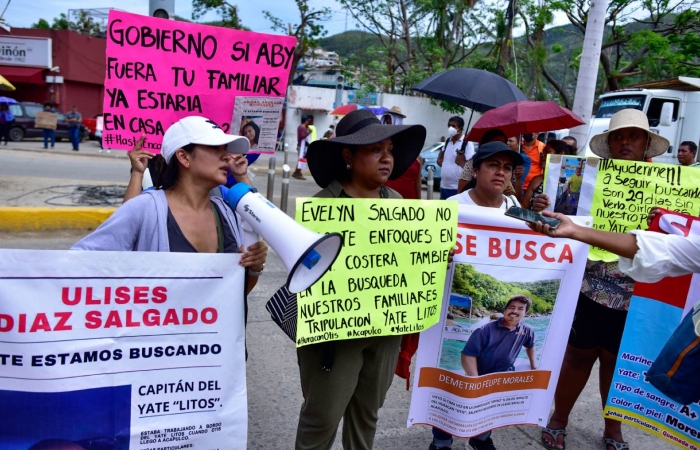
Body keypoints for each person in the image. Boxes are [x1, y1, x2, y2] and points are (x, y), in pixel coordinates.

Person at [538, 109, 670, 450]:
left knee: (618, 360)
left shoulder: (669, 188)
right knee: (578, 354)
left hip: (639, 291)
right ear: (609, 144)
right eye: (618, 136)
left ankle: (614, 429)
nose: (625, 142)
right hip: (590, 285)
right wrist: (544, 202)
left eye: (633, 136)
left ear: (646, 145)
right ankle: (558, 419)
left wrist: (667, 217)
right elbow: (560, 218)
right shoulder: (590, 179)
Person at [298, 109, 426, 450]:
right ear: (348, 156)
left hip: (386, 330)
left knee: (367, 415)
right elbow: (304, 274)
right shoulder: (322, 205)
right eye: (375, 150)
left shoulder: (398, 202)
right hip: (334, 337)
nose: (386, 158)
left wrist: (432, 258)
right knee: (321, 419)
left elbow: (408, 266)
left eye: (389, 150)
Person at [72, 116, 268, 294]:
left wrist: (254, 269)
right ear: (184, 157)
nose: (227, 156)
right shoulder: (145, 208)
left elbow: (236, 296)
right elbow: (71, 267)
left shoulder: (227, 213)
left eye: (226, 149)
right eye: (215, 148)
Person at [430, 141, 524, 450]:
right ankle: (441, 440)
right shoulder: (451, 208)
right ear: (476, 169)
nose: (501, 172)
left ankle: (481, 435)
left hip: (495, 310)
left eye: (507, 168)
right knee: (449, 375)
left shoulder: (515, 211)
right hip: (447, 308)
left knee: (493, 375)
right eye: (493, 165)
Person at [462, 295, 537, 376]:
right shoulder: (484, 330)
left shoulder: (527, 330)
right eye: (511, 307)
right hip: (482, 377)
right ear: (505, 310)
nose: (515, 311)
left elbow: (530, 346)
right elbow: (468, 355)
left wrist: (534, 366)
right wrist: (475, 380)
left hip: (506, 377)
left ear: (526, 313)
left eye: (520, 309)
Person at [522, 140, 574, 211]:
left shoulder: (571, 182)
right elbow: (524, 207)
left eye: (547, 151)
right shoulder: (537, 180)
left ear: (561, 155)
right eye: (542, 152)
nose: (542, 155)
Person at [437, 116, 474, 199]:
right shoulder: (448, 141)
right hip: (444, 185)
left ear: (460, 129)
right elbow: (440, 160)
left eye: (453, 126)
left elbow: (471, 167)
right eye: (449, 125)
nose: (450, 128)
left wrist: (461, 162)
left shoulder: (466, 143)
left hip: (457, 187)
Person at [293, 115, 311, 180]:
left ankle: (296, 172)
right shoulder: (302, 127)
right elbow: (302, 136)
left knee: (300, 159)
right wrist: (309, 132)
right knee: (301, 160)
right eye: (307, 121)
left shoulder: (301, 127)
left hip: (302, 145)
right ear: (305, 121)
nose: (308, 122)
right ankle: (298, 173)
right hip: (301, 146)